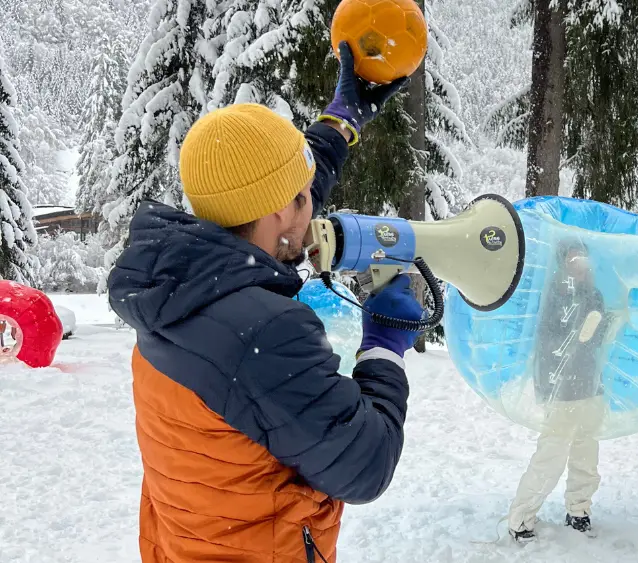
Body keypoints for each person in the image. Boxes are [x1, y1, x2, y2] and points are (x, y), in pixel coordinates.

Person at [107, 42, 421, 563]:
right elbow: (366, 465)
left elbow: (283, 188)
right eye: (304, 200)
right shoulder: (263, 332)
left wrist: (340, 122)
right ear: (280, 211)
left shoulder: (173, 284)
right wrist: (384, 346)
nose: (313, 207)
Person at [508, 239, 611, 542]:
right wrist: (571, 341)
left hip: (592, 383)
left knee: (586, 450)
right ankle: (521, 518)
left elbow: (599, 337)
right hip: (561, 387)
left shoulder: (593, 293)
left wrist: (599, 327)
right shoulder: (552, 294)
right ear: (563, 262)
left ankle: (579, 510)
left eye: (583, 257)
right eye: (573, 258)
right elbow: (545, 338)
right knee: (551, 454)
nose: (579, 263)